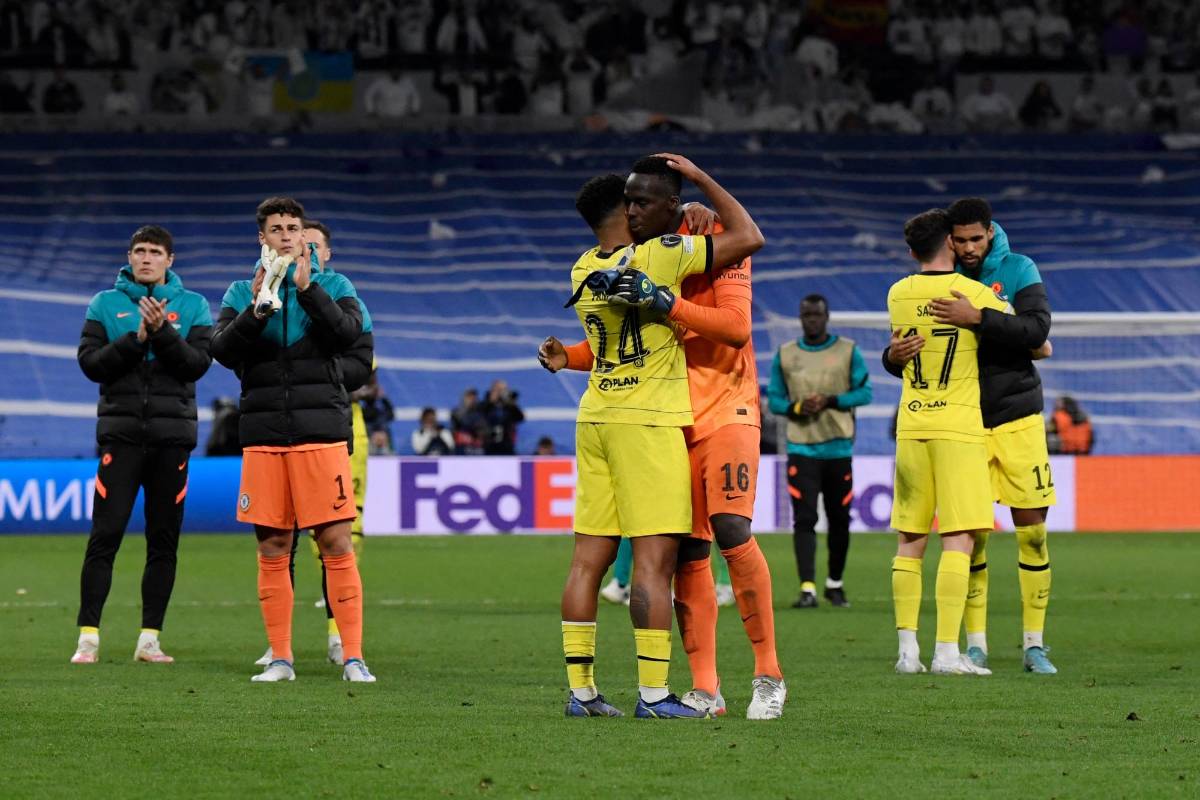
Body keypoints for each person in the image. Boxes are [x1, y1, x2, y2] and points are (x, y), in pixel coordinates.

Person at [541, 154, 783, 719]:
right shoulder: (651, 254)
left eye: (643, 201)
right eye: (629, 201)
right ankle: (700, 687)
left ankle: (768, 674)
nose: (633, 209)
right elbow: (618, 344)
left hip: (723, 407)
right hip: (664, 418)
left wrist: (667, 297)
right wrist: (574, 355)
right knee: (681, 552)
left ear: (669, 206)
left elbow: (738, 326)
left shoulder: (695, 244)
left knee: (727, 529)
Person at [883, 197, 1058, 675]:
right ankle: (973, 644)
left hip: (1016, 415)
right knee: (972, 536)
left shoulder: (1019, 269)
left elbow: (1039, 329)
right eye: (959, 241)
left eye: (976, 239)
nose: (968, 247)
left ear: (989, 232)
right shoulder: (946, 282)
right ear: (949, 241)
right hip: (962, 423)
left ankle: (1033, 644)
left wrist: (981, 319)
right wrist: (891, 357)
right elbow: (908, 350)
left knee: (1033, 534)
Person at [210, 196, 375, 683]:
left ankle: (353, 657)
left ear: (305, 236)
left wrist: (307, 291)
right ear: (262, 237)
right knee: (272, 545)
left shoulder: (335, 285)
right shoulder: (242, 291)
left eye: (293, 227)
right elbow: (220, 350)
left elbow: (348, 338)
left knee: (334, 541)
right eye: (276, 228)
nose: (286, 234)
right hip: (263, 436)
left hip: (320, 434)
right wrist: (258, 310)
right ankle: (281, 658)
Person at [71, 225, 213, 665]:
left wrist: (163, 333)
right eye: (139, 251)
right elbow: (90, 364)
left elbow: (197, 366)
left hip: (172, 441)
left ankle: (149, 639)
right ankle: (88, 637)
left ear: (170, 260)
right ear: (129, 257)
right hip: (122, 437)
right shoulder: (105, 304)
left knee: (163, 539)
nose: (146, 258)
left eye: (155, 252)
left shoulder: (193, 306)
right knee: (105, 535)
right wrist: (137, 340)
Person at [885, 209, 1006, 677]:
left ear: (912, 250)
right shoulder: (973, 293)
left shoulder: (897, 293)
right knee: (958, 540)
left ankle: (907, 653)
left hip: (912, 424)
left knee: (909, 540)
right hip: (958, 427)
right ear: (950, 245)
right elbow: (1021, 335)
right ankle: (947, 653)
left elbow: (897, 350)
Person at [253, 217, 375, 669]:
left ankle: (338, 638)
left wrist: (312, 378)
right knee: (276, 541)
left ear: (325, 252)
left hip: (335, 424)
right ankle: (279, 645)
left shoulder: (344, 297)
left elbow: (359, 363)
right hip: (276, 430)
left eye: (315, 245)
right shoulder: (259, 292)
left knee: (338, 539)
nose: (306, 250)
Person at [767, 294, 872, 609]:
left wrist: (830, 400)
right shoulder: (785, 355)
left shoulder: (848, 350)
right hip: (802, 449)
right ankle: (807, 588)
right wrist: (798, 406)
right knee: (804, 519)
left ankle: (834, 584)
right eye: (806, 315)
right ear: (800, 318)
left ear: (826, 317)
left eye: (816, 315)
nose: (811, 320)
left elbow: (864, 392)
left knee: (840, 519)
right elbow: (773, 400)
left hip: (838, 449)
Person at [480, 379, 524, 455]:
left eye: (503, 390)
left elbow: (520, 417)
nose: (501, 392)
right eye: (499, 390)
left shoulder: (508, 405)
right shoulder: (485, 404)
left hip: (506, 443)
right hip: (489, 443)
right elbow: (479, 415)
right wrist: (490, 402)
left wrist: (510, 403)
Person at [451, 387, 486, 454]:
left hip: (478, 447)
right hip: (461, 447)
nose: (472, 400)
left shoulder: (481, 413)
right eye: (469, 397)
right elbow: (462, 422)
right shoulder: (456, 412)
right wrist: (466, 408)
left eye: (474, 397)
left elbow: (482, 427)